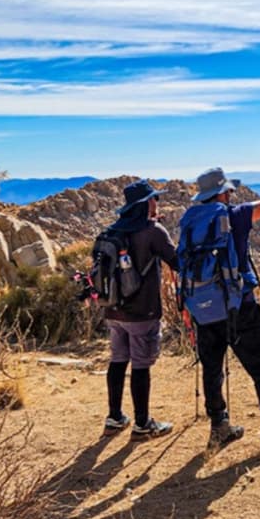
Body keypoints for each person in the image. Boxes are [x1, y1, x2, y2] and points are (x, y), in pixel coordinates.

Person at [183, 162, 260, 452]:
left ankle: (219, 427)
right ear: (224, 194)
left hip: (203, 309)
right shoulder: (235, 216)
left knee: (212, 369)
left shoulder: (189, 222)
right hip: (240, 307)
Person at [94, 179, 178, 438]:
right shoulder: (153, 231)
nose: (158, 203)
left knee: (118, 360)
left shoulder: (111, 231)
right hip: (142, 311)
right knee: (141, 364)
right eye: (155, 199)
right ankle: (143, 424)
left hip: (113, 310)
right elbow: (177, 261)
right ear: (146, 203)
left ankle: (115, 417)